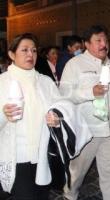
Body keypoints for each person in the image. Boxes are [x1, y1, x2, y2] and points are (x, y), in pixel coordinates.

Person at [59, 25, 110, 200]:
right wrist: (90, 93)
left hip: (109, 128)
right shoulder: (75, 64)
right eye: (98, 41)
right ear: (86, 44)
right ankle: (70, 195)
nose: (104, 44)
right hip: (87, 130)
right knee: (78, 171)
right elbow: (64, 95)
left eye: (106, 40)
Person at [0, 33, 60, 199]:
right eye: (24, 50)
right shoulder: (2, 82)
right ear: (11, 54)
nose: (30, 54)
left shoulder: (45, 82)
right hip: (17, 156)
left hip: (43, 155)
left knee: (42, 195)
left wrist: (57, 120)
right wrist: (4, 115)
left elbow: (61, 110)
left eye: (33, 51)